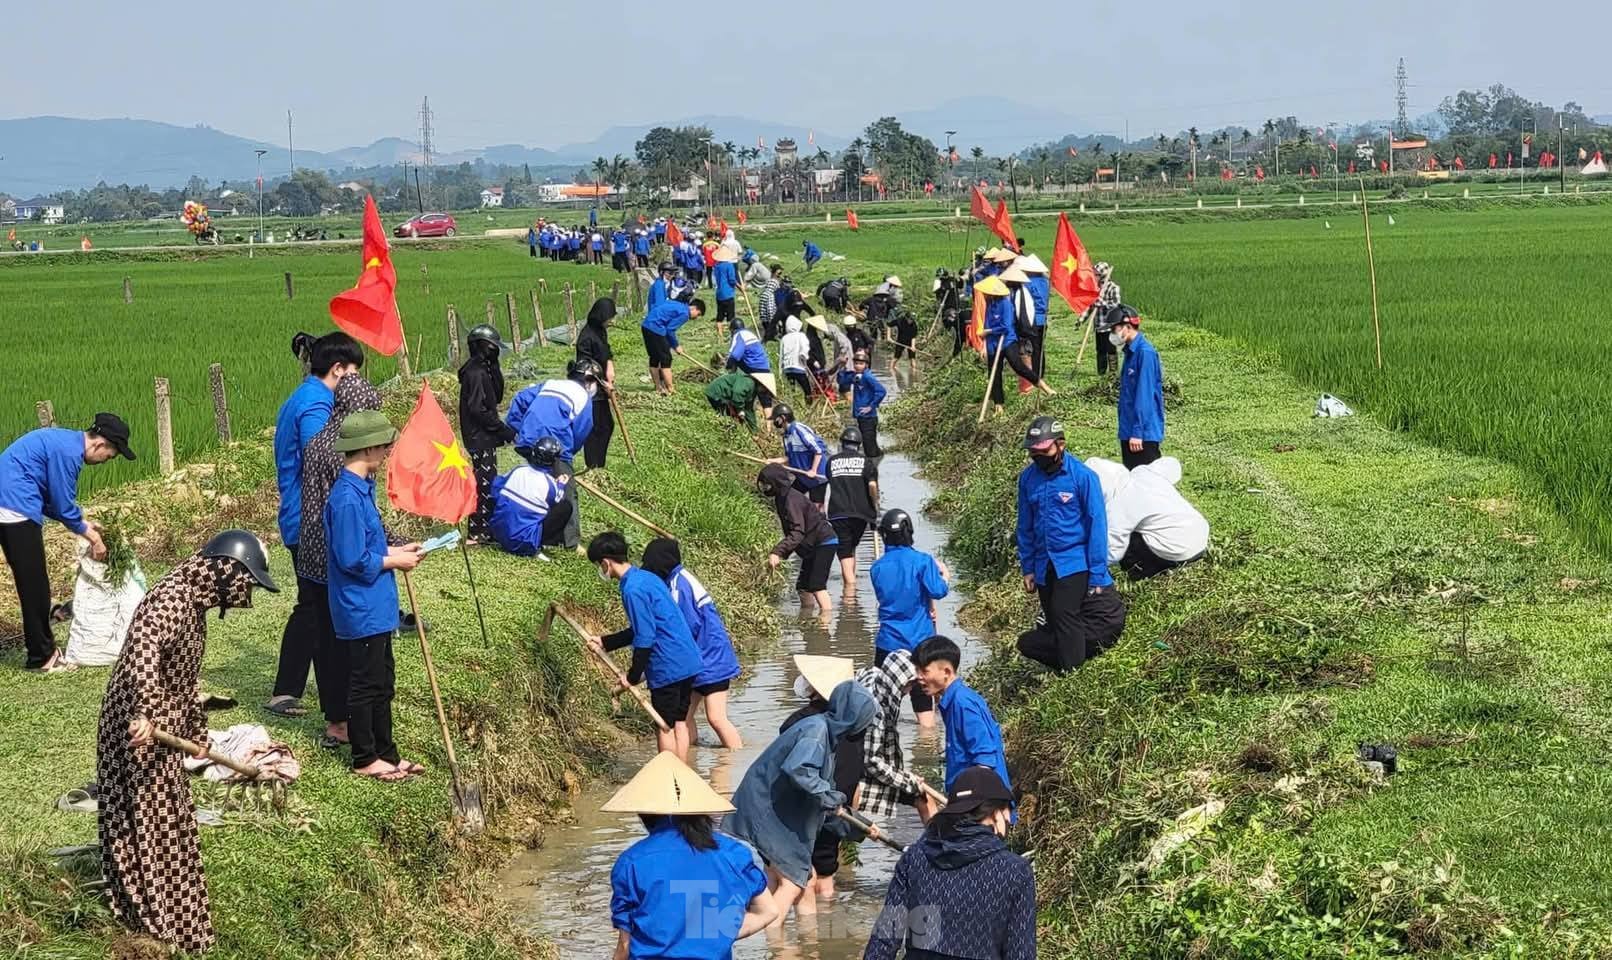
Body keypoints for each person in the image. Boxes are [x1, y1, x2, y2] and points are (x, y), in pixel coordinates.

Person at [97, 530, 278, 953]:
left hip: (166, 733)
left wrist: (194, 735)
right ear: (225, 571)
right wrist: (144, 711)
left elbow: (183, 680)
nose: (245, 594)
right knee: (143, 826)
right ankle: (153, 926)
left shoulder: (193, 603)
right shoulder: (171, 599)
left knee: (172, 825)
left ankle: (183, 929)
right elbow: (143, 651)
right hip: (137, 732)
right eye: (246, 583)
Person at [723, 674, 875, 927]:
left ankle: (804, 943)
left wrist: (861, 826)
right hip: (767, 812)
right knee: (795, 883)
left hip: (769, 809)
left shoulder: (826, 734)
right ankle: (774, 943)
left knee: (799, 880)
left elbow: (822, 800)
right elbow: (799, 770)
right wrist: (832, 799)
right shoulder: (816, 731)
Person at [324, 410, 426, 782]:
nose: (387, 451)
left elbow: (369, 544)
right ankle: (365, 756)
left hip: (377, 605)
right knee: (366, 684)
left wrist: (398, 547)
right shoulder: (347, 499)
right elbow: (351, 557)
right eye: (383, 445)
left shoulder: (362, 490)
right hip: (360, 606)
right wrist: (394, 560)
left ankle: (387, 752)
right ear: (368, 448)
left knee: (383, 682)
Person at [269, 331, 363, 716]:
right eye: (353, 375)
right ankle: (313, 700)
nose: (356, 384)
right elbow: (322, 457)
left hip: (304, 517)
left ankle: (289, 688)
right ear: (338, 370)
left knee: (312, 604)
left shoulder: (307, 396)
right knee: (317, 607)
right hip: (309, 520)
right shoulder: (315, 404)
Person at [606, 752, 777, 959]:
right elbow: (768, 912)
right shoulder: (732, 854)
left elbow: (625, 945)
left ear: (645, 813)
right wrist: (719, 935)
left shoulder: (631, 862)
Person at [296, 374, 388, 749]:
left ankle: (336, 716)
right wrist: (390, 549)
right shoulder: (346, 457)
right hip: (338, 555)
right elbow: (357, 522)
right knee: (350, 647)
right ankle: (345, 723)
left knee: (326, 642)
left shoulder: (319, 441)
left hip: (312, 550)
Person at [0, 412, 130, 672]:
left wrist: (82, 523)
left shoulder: (64, 442)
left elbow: (55, 503)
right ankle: (42, 657)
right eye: (111, 455)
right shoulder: (69, 455)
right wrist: (93, 537)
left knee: (32, 582)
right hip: (13, 506)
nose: (106, 461)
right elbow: (61, 504)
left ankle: (41, 649)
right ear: (99, 444)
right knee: (34, 585)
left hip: (11, 501)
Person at [863, 766, 1035, 960]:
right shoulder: (1015, 871)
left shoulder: (915, 858)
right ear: (996, 814)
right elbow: (1021, 954)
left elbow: (883, 942)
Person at [590, 531, 704, 759]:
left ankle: (670, 780)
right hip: (688, 660)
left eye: (598, 565)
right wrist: (606, 642)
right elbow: (645, 627)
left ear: (605, 562)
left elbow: (645, 637)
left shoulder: (632, 590)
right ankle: (683, 776)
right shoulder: (647, 577)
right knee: (680, 722)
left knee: (663, 725)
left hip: (668, 666)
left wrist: (632, 677)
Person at [1015, 416, 1113, 674]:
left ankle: (1073, 675)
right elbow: (1024, 526)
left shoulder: (1083, 478)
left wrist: (1098, 574)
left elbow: (1097, 527)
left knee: (1064, 612)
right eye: (1033, 452)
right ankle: (1066, 664)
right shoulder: (1027, 479)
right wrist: (1028, 567)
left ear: (1061, 445)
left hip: (1074, 561)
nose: (1038, 457)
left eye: (1043, 450)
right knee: (1054, 619)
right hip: (1043, 563)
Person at [639, 537, 743, 751]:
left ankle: (734, 759)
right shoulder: (677, 579)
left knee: (716, 718)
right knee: (683, 718)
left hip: (712, 660)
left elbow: (684, 628)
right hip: (695, 661)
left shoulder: (679, 586)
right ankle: (690, 760)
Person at [778, 656, 866, 907]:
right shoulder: (855, 724)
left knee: (800, 876)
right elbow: (855, 772)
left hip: (808, 807)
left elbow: (789, 769)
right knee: (827, 875)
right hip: (839, 806)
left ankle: (808, 940)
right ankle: (830, 932)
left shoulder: (799, 721)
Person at [510, 359, 601, 551]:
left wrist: (517, 429)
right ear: (590, 381)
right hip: (555, 446)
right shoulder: (584, 398)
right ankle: (570, 542)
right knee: (566, 491)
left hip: (529, 439)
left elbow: (520, 398)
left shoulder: (550, 383)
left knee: (537, 483)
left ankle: (534, 527)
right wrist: (566, 457)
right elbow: (581, 431)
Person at [870, 510, 950, 727]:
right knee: (924, 709)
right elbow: (938, 591)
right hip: (920, 642)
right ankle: (927, 750)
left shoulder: (876, 567)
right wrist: (944, 575)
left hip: (887, 643)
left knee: (881, 707)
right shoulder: (923, 562)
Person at [913, 636, 1012, 796]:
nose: (919, 677)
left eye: (924, 671)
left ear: (946, 672)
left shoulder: (962, 703)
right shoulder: (954, 700)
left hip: (980, 806)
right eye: (917, 670)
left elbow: (985, 758)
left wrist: (976, 805)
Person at [853, 648, 940, 827]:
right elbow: (872, 762)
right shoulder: (875, 712)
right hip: (857, 775)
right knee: (923, 797)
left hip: (858, 766)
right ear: (895, 681)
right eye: (907, 685)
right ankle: (937, 847)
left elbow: (862, 672)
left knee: (925, 797)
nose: (908, 691)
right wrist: (907, 781)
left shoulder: (875, 677)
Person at [1085, 456, 1209, 579]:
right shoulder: (1145, 473)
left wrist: (1088, 567)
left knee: (1123, 537)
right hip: (1200, 538)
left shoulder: (1119, 503)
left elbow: (1113, 549)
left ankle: (1140, 571)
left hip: (1178, 552)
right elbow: (1172, 463)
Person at [459, 324, 517, 545]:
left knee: (488, 482)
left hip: (484, 436)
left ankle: (484, 527)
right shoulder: (474, 373)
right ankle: (476, 532)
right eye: (493, 348)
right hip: (478, 437)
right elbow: (478, 409)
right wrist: (504, 431)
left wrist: (495, 368)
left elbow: (497, 397)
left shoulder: (485, 369)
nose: (496, 352)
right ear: (483, 347)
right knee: (482, 484)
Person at [758, 464, 839, 614]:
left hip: (823, 542)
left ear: (776, 483)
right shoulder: (781, 498)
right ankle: (807, 618)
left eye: (767, 484)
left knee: (816, 585)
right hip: (812, 546)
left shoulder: (791, 499)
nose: (765, 488)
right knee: (803, 586)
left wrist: (778, 552)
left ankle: (825, 624)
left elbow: (797, 532)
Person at [490, 437, 573, 558]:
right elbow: (557, 500)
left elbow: (495, 488)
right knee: (565, 507)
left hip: (498, 534)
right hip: (522, 544)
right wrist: (561, 484)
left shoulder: (517, 470)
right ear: (554, 461)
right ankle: (537, 545)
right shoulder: (550, 485)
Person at [825, 427, 879, 594]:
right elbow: (872, 485)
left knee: (845, 551)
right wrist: (875, 503)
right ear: (859, 445)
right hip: (861, 514)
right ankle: (852, 590)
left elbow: (829, 483)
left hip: (838, 513)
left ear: (842, 443)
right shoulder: (866, 462)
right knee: (851, 547)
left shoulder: (832, 462)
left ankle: (850, 595)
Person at [976, 276, 1039, 418]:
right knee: (994, 373)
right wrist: (984, 345)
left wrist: (990, 331)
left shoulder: (1005, 303)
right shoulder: (989, 304)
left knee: (1018, 366)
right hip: (993, 343)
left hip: (1007, 340)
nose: (984, 295)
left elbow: (1005, 326)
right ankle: (999, 405)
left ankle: (1043, 386)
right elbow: (985, 326)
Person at [1110, 307, 1165, 468]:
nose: (1113, 334)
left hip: (1142, 435)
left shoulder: (1145, 353)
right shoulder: (1129, 353)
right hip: (1128, 429)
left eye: (1115, 329)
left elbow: (1144, 395)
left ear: (1127, 326)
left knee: (1148, 483)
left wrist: (1137, 432)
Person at [575, 298, 619, 471]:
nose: (610, 322)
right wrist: (603, 383)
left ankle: (600, 464)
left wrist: (610, 365)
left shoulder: (600, 331)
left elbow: (606, 350)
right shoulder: (586, 338)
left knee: (607, 425)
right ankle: (592, 466)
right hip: (590, 386)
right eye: (609, 318)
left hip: (602, 382)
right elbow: (585, 367)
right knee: (596, 427)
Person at [642, 296, 704, 395]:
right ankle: (670, 388)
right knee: (666, 359)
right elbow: (670, 330)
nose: (696, 317)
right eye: (698, 314)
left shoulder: (678, 305)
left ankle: (658, 387)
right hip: (656, 328)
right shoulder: (685, 314)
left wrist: (670, 344)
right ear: (694, 308)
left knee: (654, 358)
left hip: (646, 325)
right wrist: (676, 346)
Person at [770, 405, 830, 507]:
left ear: (783, 418)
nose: (774, 422)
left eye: (776, 419)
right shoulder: (786, 436)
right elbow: (789, 457)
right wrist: (772, 461)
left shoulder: (800, 430)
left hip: (818, 479)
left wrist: (813, 470)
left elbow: (818, 450)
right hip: (803, 477)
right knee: (787, 498)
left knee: (817, 508)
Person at [837, 349, 888, 456]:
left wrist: (871, 406)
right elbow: (842, 381)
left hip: (869, 417)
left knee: (870, 449)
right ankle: (878, 456)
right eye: (856, 363)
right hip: (860, 416)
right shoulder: (855, 376)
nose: (857, 366)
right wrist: (841, 367)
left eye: (861, 363)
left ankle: (875, 464)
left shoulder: (868, 376)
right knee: (866, 445)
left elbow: (881, 391)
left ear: (866, 365)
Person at [725, 320, 776, 416]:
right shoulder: (750, 334)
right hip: (765, 370)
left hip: (754, 371)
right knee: (766, 402)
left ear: (732, 330)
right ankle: (769, 430)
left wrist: (728, 366)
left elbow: (735, 356)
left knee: (748, 402)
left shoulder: (739, 335)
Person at [1017, 255, 1051, 382]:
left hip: (1033, 319)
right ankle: (1041, 372)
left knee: (1032, 347)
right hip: (1043, 318)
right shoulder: (1045, 281)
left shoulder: (1027, 283)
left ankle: (1035, 376)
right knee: (1040, 347)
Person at [1088, 262, 1124, 376]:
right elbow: (1091, 307)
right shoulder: (1096, 288)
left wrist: (1102, 303)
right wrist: (1082, 319)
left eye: (1097, 274)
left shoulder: (1113, 288)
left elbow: (1116, 305)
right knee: (1100, 350)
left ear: (1103, 275)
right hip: (1099, 325)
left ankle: (1113, 372)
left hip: (1110, 325)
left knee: (1111, 349)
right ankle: (1101, 372)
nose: (1094, 276)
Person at [779, 316, 814, 400]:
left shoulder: (784, 338)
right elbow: (805, 348)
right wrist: (804, 356)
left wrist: (781, 370)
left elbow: (781, 355)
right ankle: (808, 406)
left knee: (792, 390)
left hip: (787, 368)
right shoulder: (801, 336)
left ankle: (794, 404)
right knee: (807, 390)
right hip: (799, 367)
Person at [711, 246, 740, 337]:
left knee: (720, 315)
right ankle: (732, 334)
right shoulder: (729, 266)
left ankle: (720, 334)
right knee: (730, 316)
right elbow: (732, 280)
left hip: (719, 294)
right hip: (728, 294)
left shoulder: (716, 266)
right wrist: (740, 287)